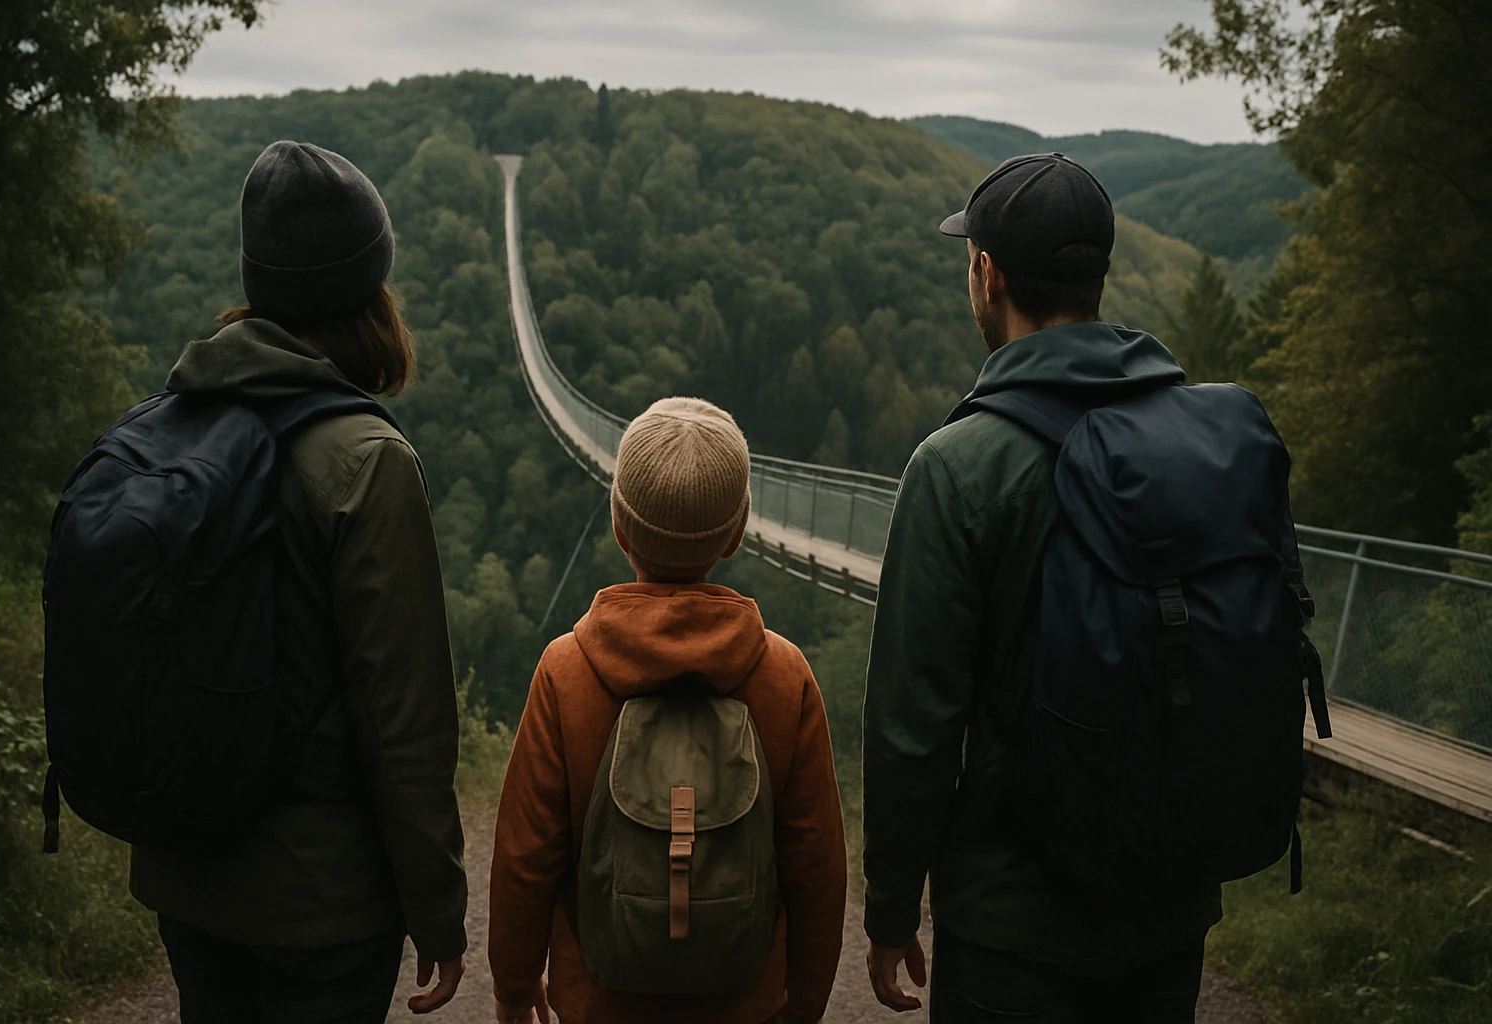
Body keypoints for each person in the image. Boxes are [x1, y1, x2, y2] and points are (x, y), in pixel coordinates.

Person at [861, 154, 1224, 1021]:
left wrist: (889, 909)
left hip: (1011, 928)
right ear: (1098, 275)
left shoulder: (956, 468)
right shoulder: (1202, 442)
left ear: (986, 275)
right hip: (1167, 908)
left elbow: (915, 725)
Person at [129, 141, 469, 1022]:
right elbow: (405, 721)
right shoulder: (368, 460)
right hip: (322, 908)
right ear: (370, 288)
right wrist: (439, 913)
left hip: (190, 876)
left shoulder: (168, 426)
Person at [488, 397, 847, 1024]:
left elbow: (527, 855)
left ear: (619, 528)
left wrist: (515, 985)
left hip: (598, 999)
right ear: (738, 535)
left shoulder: (567, 671)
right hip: (745, 1002)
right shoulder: (784, 677)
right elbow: (815, 862)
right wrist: (806, 997)